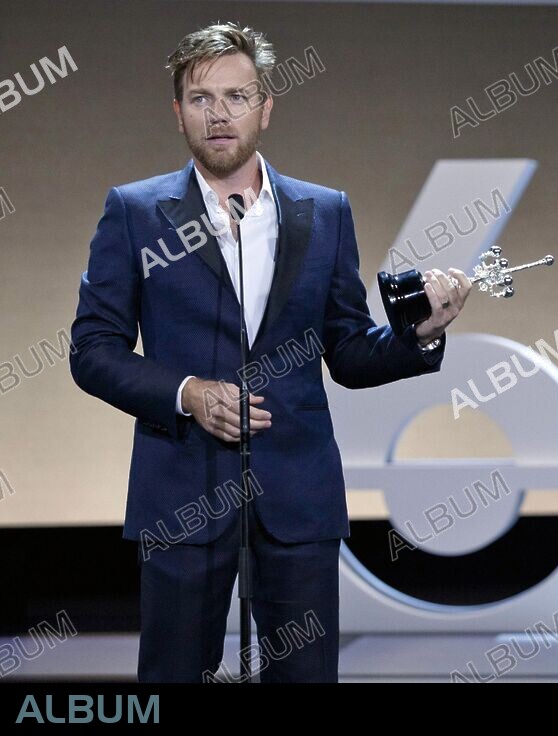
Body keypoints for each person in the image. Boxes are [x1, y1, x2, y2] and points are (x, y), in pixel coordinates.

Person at [69, 21, 470, 683]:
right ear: (178, 114)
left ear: (265, 107)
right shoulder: (136, 212)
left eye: (236, 95)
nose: (218, 113)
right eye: (201, 98)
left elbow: (346, 349)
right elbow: (93, 349)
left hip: (297, 496)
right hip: (182, 495)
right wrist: (188, 394)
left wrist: (418, 335)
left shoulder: (324, 212)